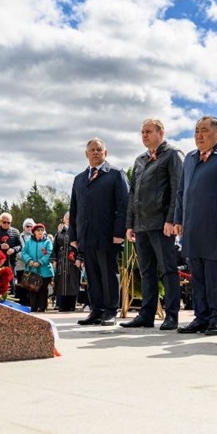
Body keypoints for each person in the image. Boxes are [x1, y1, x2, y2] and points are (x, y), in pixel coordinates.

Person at [173, 116, 217, 335]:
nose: (199, 135)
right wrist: (178, 219)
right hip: (193, 226)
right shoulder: (190, 158)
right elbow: (181, 191)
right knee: (199, 276)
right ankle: (201, 317)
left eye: (204, 130)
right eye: (196, 131)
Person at [122, 118, 184, 331]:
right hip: (141, 225)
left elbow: (177, 188)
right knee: (146, 271)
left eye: (148, 131)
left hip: (161, 223)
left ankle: (172, 315)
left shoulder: (172, 155)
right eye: (142, 132)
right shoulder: (139, 160)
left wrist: (172, 219)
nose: (144, 135)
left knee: (168, 269)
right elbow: (133, 194)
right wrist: (130, 223)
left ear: (161, 133)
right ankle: (146, 314)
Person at [69, 138, 129, 326]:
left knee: (108, 273)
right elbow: (74, 208)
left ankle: (111, 310)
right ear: (86, 154)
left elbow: (124, 204)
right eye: (92, 150)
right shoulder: (79, 179)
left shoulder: (115, 174)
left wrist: (119, 231)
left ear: (105, 153)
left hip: (107, 235)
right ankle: (96, 310)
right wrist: (73, 236)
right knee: (92, 275)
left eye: (99, 149)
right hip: (86, 236)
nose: (95, 152)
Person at [21, 221, 54, 312]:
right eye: (38, 230)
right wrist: (30, 261)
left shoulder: (47, 242)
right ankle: (34, 307)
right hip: (32, 270)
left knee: (43, 290)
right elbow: (24, 252)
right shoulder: (29, 242)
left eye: (42, 230)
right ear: (34, 232)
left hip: (45, 271)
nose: (40, 232)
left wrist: (40, 262)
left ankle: (42, 307)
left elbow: (49, 253)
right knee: (33, 289)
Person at [53, 211, 81, 312]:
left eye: (71, 218)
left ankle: (71, 305)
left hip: (73, 262)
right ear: (64, 219)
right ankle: (61, 305)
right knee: (61, 284)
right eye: (67, 218)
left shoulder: (77, 232)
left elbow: (80, 247)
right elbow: (54, 248)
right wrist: (54, 260)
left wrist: (79, 259)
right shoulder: (59, 233)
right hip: (61, 262)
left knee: (72, 283)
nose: (69, 219)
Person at [0, 213, 23, 281]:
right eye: (4, 222)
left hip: (11, 261)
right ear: (0, 221)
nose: (6, 224)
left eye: (8, 222)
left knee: (11, 281)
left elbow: (20, 246)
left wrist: (13, 249)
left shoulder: (15, 232)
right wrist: (0, 246)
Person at [15, 218, 36, 303]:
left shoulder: (35, 237)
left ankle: (31, 303)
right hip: (22, 266)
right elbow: (17, 251)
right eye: (27, 226)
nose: (29, 228)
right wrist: (28, 259)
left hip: (33, 267)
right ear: (24, 227)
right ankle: (22, 304)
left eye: (31, 226)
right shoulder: (19, 237)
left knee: (32, 286)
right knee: (22, 286)